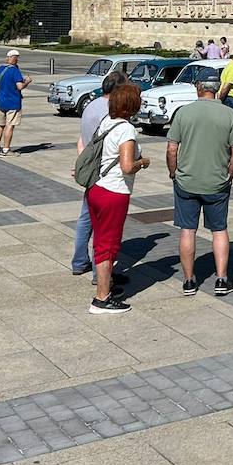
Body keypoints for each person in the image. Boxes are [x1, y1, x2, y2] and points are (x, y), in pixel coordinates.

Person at [166, 76, 233, 296]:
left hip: (186, 181)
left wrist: (173, 172)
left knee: (187, 230)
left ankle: (189, 281)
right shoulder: (229, 114)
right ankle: (221, 279)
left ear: (198, 88)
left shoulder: (183, 112)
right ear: (216, 89)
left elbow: (172, 148)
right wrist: (229, 174)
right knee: (219, 230)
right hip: (217, 181)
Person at [87, 82, 150, 314]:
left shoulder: (107, 122)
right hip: (114, 192)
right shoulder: (126, 130)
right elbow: (127, 166)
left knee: (101, 242)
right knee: (108, 246)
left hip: (96, 188)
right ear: (131, 105)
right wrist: (143, 162)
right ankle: (101, 299)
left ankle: (107, 287)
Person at [71, 69, 129, 277]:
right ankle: (100, 272)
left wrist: (82, 162)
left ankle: (79, 261)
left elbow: (81, 140)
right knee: (102, 225)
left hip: (90, 169)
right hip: (103, 172)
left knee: (86, 218)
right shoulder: (109, 111)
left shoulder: (90, 106)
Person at [0, 49, 32, 156]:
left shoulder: (0, 68)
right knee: (10, 125)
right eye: (17, 57)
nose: (17, 59)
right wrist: (27, 82)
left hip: (1, 101)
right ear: (14, 58)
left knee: (0, 125)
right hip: (13, 102)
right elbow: (19, 86)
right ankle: (6, 149)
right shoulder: (15, 71)